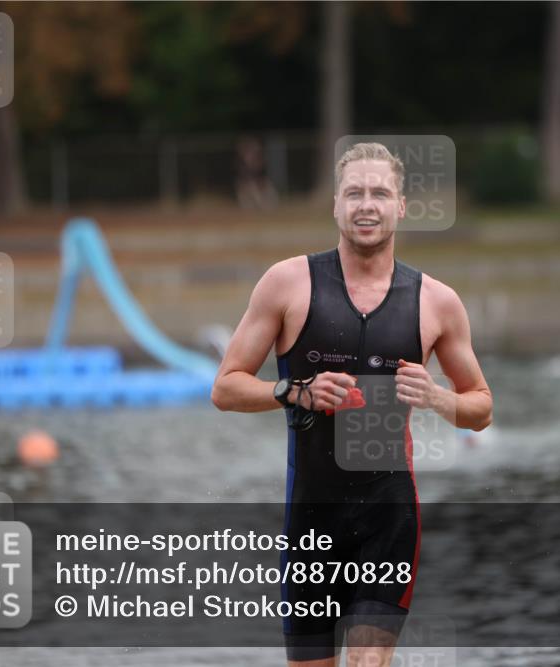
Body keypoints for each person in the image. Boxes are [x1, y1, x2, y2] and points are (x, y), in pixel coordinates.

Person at [212, 142, 492, 667]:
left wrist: (435, 397)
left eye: (380, 193)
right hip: (310, 521)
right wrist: (294, 391)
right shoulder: (288, 283)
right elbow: (225, 387)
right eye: (355, 193)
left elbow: (481, 408)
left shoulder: (435, 301)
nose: (367, 204)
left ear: (401, 205)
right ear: (336, 206)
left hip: (388, 519)